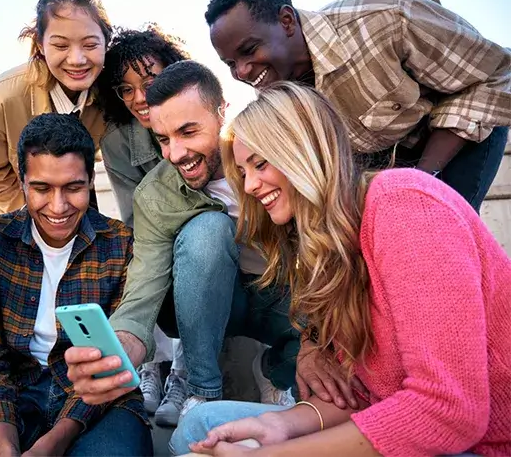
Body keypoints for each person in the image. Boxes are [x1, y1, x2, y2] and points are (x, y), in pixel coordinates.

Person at [171, 83, 511, 457]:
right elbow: (366, 395)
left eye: (260, 164)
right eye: (242, 172)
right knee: (201, 425)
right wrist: (278, 425)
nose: (249, 186)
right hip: (410, 427)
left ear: (303, 152)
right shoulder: (326, 250)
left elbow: (448, 412)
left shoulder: (406, 207)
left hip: (484, 445)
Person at [65, 61, 348, 423]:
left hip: (277, 292)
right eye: (163, 139)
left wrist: (312, 338)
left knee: (329, 369)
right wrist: (123, 345)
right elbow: (143, 288)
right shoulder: (154, 193)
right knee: (208, 230)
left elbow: (320, 251)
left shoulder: (270, 157)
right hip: (198, 299)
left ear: (222, 113)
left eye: (188, 132)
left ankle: (275, 370)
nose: (175, 153)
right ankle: (203, 394)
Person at [0, 113, 152, 457]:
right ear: (22, 181)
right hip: (11, 391)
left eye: (74, 188)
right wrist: (6, 448)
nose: (58, 206)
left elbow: (106, 368)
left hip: (101, 401)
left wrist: (54, 442)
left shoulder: (121, 245)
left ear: (91, 180)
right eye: (42, 188)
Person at [205, 0, 511, 213]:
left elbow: (495, 74)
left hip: (461, 128)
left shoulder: (385, 18)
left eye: (249, 50)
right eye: (230, 63)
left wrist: (422, 178)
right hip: (383, 154)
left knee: (438, 230)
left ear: (286, 21)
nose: (242, 72)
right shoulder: (274, 89)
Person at [96, 24, 190, 425]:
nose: (139, 98)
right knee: (128, 248)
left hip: (198, 235)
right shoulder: (118, 141)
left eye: (149, 81)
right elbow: (135, 217)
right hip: (152, 236)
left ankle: (185, 375)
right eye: (126, 89)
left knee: (198, 245)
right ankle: (150, 366)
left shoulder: (200, 111)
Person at [0, 0, 111, 222]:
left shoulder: (112, 94)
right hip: (5, 210)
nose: (77, 59)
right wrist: (35, 218)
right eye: (60, 45)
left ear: (106, 43)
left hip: (73, 208)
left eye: (90, 45)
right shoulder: (4, 96)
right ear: (40, 44)